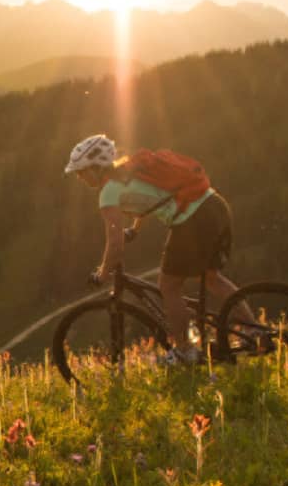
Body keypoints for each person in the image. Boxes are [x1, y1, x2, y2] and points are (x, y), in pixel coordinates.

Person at [63, 134, 247, 364]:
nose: (80, 177)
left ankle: (184, 351)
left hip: (193, 219)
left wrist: (103, 272)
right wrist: (136, 229)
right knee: (212, 278)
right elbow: (150, 200)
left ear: (96, 168)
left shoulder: (108, 192)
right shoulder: (130, 168)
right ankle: (256, 332)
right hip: (214, 206)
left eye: (82, 171)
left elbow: (115, 242)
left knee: (168, 286)